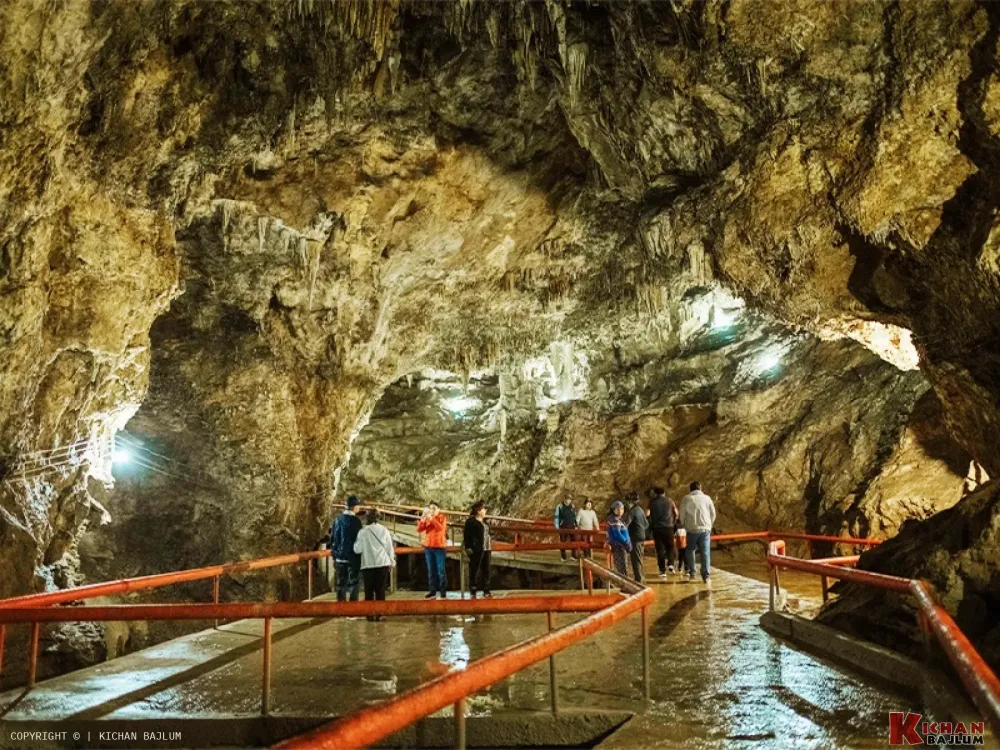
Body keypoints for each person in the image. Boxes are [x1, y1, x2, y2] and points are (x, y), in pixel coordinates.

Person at [354, 508, 396, 620]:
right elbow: (389, 548)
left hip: (368, 565)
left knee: (369, 591)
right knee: (380, 590)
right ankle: (380, 613)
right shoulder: (384, 530)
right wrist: (391, 561)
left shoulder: (362, 532)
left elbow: (357, 549)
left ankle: (369, 614)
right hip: (382, 563)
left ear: (367, 519)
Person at [679, 481, 716, 584]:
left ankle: (692, 573)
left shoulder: (686, 498)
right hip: (705, 530)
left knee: (690, 550)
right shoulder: (707, 498)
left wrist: (682, 523)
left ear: (690, 489)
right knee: (705, 552)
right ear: (700, 488)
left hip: (692, 529)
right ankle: (706, 576)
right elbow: (713, 513)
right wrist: (709, 525)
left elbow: (682, 514)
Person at [331, 495, 363, 602]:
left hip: (340, 557)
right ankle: (352, 610)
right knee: (354, 583)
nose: (359, 508)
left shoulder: (337, 520)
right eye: (358, 505)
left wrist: (335, 554)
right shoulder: (356, 522)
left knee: (341, 584)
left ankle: (341, 609)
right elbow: (359, 539)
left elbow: (333, 539)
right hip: (352, 557)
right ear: (354, 507)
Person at [417, 502, 448, 598]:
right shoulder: (427, 518)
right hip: (428, 547)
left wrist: (432, 519)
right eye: (430, 508)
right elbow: (419, 529)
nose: (432, 510)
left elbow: (440, 528)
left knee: (441, 571)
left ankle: (443, 592)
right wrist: (422, 520)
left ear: (438, 509)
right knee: (431, 571)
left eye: (434, 508)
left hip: (439, 547)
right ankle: (432, 591)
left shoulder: (442, 518)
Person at [463, 502, 493, 598]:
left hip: (487, 548)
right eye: (484, 509)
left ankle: (486, 590)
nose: (485, 511)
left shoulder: (485, 521)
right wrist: (468, 546)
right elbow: (466, 535)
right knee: (475, 569)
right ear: (478, 511)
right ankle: (473, 590)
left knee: (487, 569)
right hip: (477, 548)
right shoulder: (471, 521)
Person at [649, 486, 679, 578]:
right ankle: (670, 564)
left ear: (655, 494)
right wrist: (673, 522)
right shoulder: (670, 501)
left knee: (660, 550)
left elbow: (647, 513)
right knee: (670, 547)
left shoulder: (652, 502)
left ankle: (662, 571)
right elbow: (676, 513)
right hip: (669, 527)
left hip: (657, 528)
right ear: (664, 493)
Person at [625, 491, 649, 583]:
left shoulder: (632, 512)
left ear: (630, 502)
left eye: (627, 502)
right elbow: (646, 524)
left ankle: (639, 580)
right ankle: (642, 579)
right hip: (641, 536)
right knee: (639, 559)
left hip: (635, 538)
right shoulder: (640, 510)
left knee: (636, 560)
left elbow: (626, 524)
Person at [604, 501, 631, 577]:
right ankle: (624, 585)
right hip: (619, 546)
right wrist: (626, 543)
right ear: (613, 509)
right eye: (618, 509)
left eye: (622, 509)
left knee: (622, 567)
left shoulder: (618, 519)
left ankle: (624, 585)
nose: (620, 511)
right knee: (622, 568)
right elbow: (617, 534)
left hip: (621, 546)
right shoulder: (614, 520)